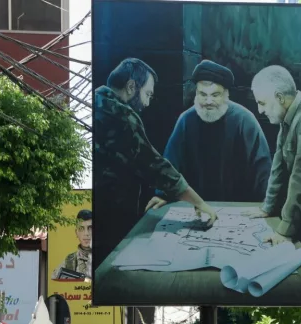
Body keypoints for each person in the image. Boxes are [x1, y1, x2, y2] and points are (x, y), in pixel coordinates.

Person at [93, 57, 217, 265]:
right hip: (110, 216)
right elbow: (154, 165)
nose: (148, 103)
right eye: (147, 94)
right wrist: (200, 203)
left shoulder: (96, 99)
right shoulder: (123, 116)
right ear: (132, 86)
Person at [150, 60, 271, 207]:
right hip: (194, 206)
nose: (208, 101)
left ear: (226, 95)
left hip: (239, 207)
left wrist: (267, 202)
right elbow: (171, 161)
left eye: (215, 95)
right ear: (196, 93)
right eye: (203, 94)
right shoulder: (186, 121)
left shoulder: (245, 121)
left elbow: (263, 169)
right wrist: (163, 195)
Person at [247, 65, 301, 250]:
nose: (259, 111)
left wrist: (284, 230)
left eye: (262, 103)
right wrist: (267, 207)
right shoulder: (288, 117)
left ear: (279, 98)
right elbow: (278, 167)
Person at [52, 209, 92, 280]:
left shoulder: (103, 258)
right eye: (81, 228)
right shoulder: (69, 261)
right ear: (76, 232)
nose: (86, 233)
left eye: (90, 228)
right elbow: (54, 281)